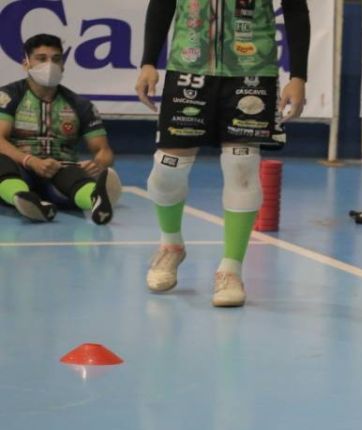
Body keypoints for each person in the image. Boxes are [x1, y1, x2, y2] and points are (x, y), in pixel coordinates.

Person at [134, 0, 310, 307]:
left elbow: (295, 7)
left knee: (242, 167)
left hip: (253, 71)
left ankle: (231, 270)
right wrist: (148, 61)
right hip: (188, 69)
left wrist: (299, 76)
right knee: (167, 169)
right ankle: (171, 245)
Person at [0, 34, 115, 225]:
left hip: (59, 171)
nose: (50, 65)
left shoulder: (81, 105)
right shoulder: (8, 96)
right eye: (41, 58)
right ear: (26, 64)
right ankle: (23, 197)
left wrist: (99, 164)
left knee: (73, 174)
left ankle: (95, 200)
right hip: (19, 168)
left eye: (56, 59)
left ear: (62, 65)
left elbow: (103, 150)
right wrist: (31, 161)